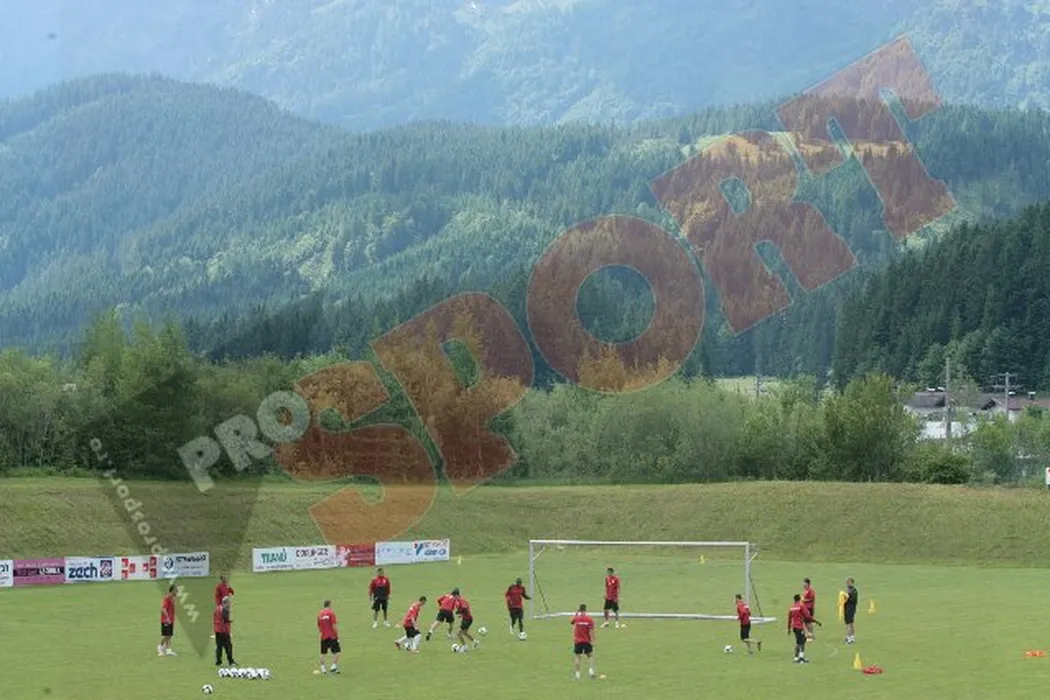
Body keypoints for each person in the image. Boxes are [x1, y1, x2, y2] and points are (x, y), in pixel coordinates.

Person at [788, 593, 821, 663]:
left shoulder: (792, 607)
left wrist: (789, 628)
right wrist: (816, 622)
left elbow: (789, 618)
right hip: (799, 626)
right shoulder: (801, 606)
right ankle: (801, 657)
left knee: (798, 642)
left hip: (794, 627)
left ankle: (796, 658)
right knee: (802, 642)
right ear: (799, 599)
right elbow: (808, 616)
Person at [571, 603, 597, 680]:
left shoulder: (577, 618)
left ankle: (577, 674)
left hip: (578, 641)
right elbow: (592, 631)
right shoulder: (589, 619)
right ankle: (591, 671)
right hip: (587, 640)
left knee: (578, 656)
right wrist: (593, 640)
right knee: (590, 656)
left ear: (579, 610)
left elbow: (571, 621)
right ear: (585, 610)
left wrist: (576, 613)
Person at [317, 600, 340, 674]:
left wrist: (322, 632)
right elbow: (334, 625)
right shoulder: (331, 613)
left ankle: (323, 668)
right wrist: (337, 635)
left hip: (323, 636)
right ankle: (333, 666)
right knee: (337, 652)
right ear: (329, 605)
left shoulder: (320, 614)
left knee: (323, 653)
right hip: (332, 636)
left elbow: (319, 625)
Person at [214, 595, 236, 667]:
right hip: (224, 631)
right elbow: (225, 619)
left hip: (217, 630)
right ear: (226, 603)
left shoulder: (217, 608)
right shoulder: (225, 609)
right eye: (229, 603)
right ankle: (231, 661)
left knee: (219, 646)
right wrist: (230, 621)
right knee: (228, 646)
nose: (230, 604)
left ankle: (218, 661)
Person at [158, 584, 177, 656]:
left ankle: (168, 650)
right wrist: (167, 618)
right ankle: (160, 647)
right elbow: (163, 609)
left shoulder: (173, 598)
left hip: (171, 620)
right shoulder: (167, 598)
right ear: (172, 590)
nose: (177, 591)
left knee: (169, 635)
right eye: (176, 590)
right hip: (166, 620)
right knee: (166, 635)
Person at [843, 577, 858, 644]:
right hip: (848, 608)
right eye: (847, 582)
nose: (847, 583)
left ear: (852, 583)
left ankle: (849, 638)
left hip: (850, 609)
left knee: (848, 623)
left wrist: (847, 596)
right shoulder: (849, 590)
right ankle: (852, 637)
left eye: (849, 582)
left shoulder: (853, 591)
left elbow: (854, 600)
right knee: (851, 623)